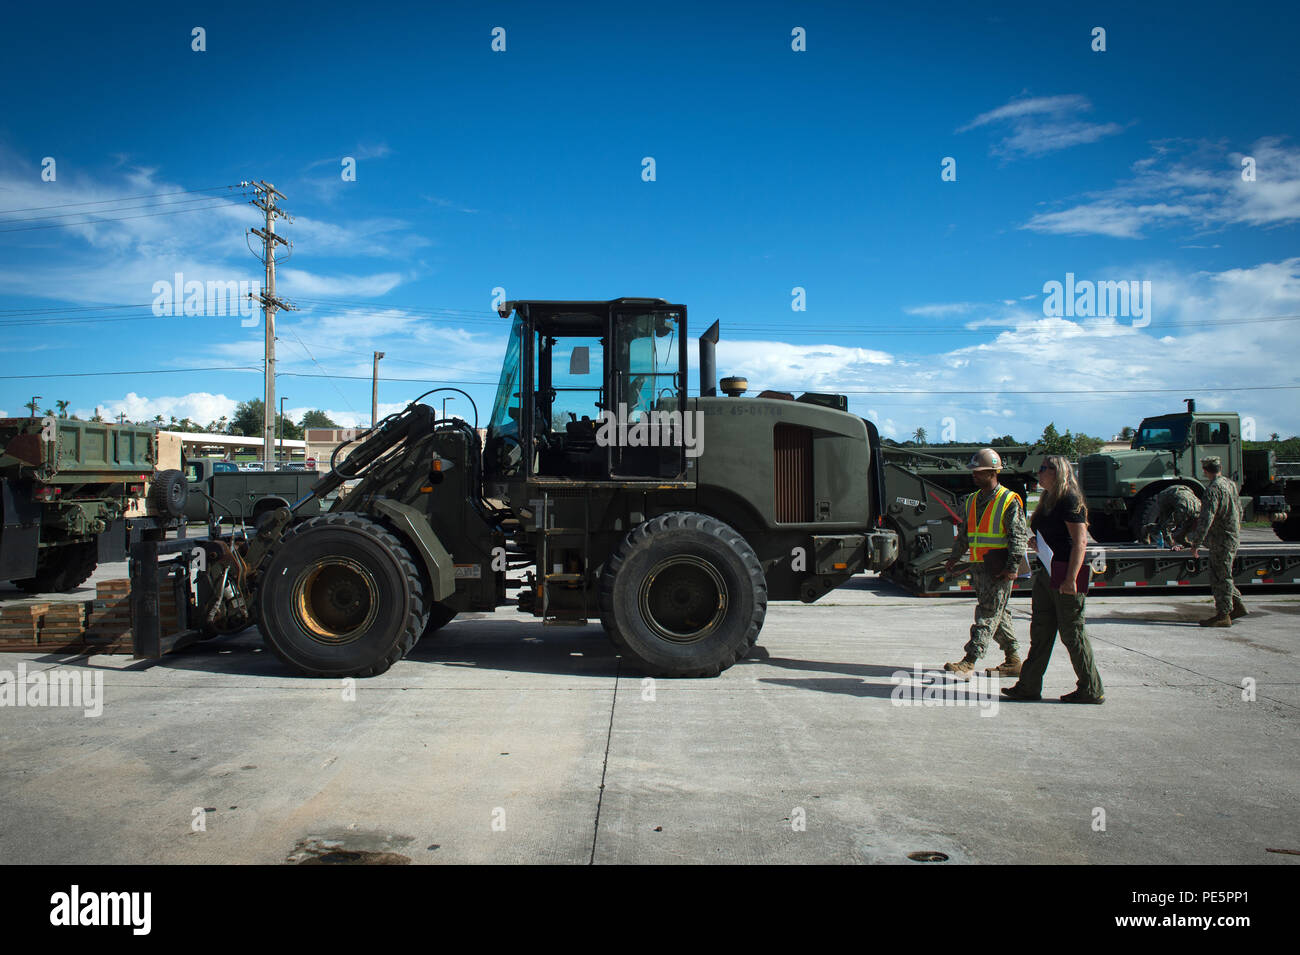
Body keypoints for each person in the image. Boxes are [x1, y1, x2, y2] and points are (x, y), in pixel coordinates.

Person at [1003, 455, 1105, 704]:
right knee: (1041, 631)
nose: (1038, 473)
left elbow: (1080, 542)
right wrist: (1036, 542)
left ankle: (1091, 689)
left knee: (1072, 633)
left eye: (1043, 469)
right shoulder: (1049, 499)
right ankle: (1028, 686)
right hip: (1048, 570)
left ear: (1057, 471)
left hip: (1065, 572)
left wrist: (1070, 579)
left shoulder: (1069, 498)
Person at [943, 448, 1028, 679]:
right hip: (980, 567)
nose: (974, 475)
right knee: (999, 615)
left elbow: (1018, 537)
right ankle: (1014, 660)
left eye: (978, 472)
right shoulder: (971, 500)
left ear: (993, 472)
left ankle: (969, 661)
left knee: (987, 614)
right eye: (973, 472)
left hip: (999, 568)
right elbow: (964, 535)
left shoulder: (1009, 501)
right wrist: (954, 557)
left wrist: (1012, 568)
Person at [1185, 456, 1246, 627]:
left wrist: (1196, 542)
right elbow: (1239, 509)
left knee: (1220, 576)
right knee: (1223, 573)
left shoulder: (1213, 489)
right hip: (1231, 535)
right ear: (1219, 467)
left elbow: (1206, 518)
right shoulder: (1229, 484)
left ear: (1205, 470)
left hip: (1221, 538)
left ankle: (1223, 614)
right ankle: (1237, 606)